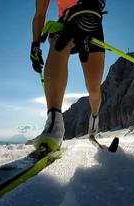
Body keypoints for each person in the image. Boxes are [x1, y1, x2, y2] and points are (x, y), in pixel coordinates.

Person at [31, 0, 106, 152]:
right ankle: (54, 124)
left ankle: (94, 119)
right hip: (66, 20)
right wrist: (35, 46)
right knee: (58, 44)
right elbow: (39, 14)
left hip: (89, 18)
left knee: (93, 87)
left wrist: (94, 6)